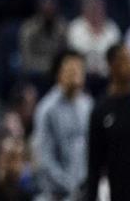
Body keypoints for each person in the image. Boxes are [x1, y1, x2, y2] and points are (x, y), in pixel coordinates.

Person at [31, 50, 93, 200]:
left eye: (79, 69)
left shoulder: (89, 106)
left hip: (85, 191)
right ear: (58, 74)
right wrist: (70, 185)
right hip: (56, 194)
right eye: (70, 69)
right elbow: (44, 159)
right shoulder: (46, 109)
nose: (75, 73)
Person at [87, 43, 130, 201]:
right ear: (111, 65)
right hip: (118, 187)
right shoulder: (101, 109)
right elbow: (94, 161)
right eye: (124, 59)